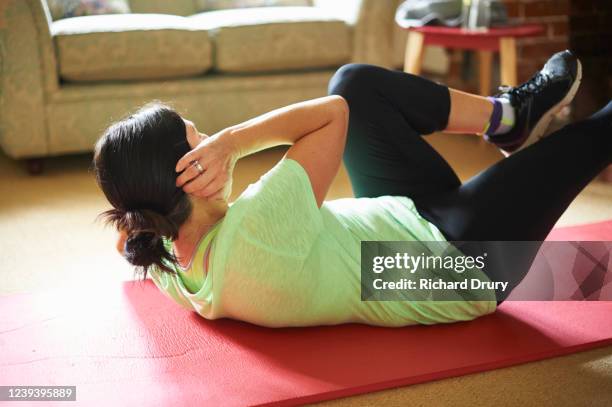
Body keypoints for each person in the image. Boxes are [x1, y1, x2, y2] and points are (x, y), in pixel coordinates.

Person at [94, 50, 611, 328]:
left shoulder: (163, 253)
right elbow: (329, 119)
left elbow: (124, 234)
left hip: (400, 221)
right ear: (187, 172)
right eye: (200, 138)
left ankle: (509, 118)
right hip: (456, 264)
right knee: (595, 135)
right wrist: (235, 141)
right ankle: (518, 120)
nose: (211, 140)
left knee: (354, 83)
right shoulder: (255, 231)